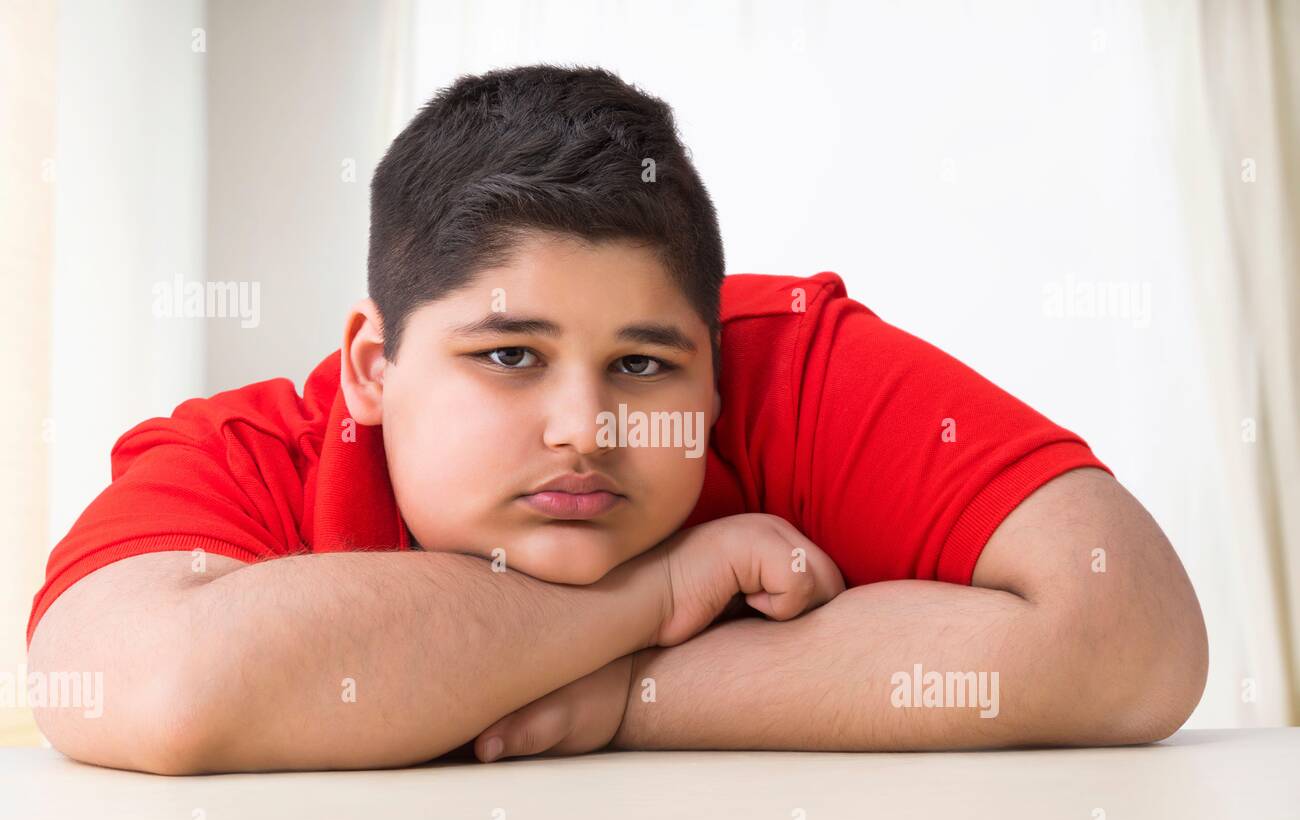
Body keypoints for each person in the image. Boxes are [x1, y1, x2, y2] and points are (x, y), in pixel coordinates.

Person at [26, 65, 1207, 775]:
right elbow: (152, 688)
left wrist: (631, 694)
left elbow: (1135, 640)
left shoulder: (788, 364)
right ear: (372, 368)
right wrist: (649, 596)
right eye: (508, 356)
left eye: (643, 365)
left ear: (711, 365)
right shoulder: (244, 454)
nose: (585, 427)